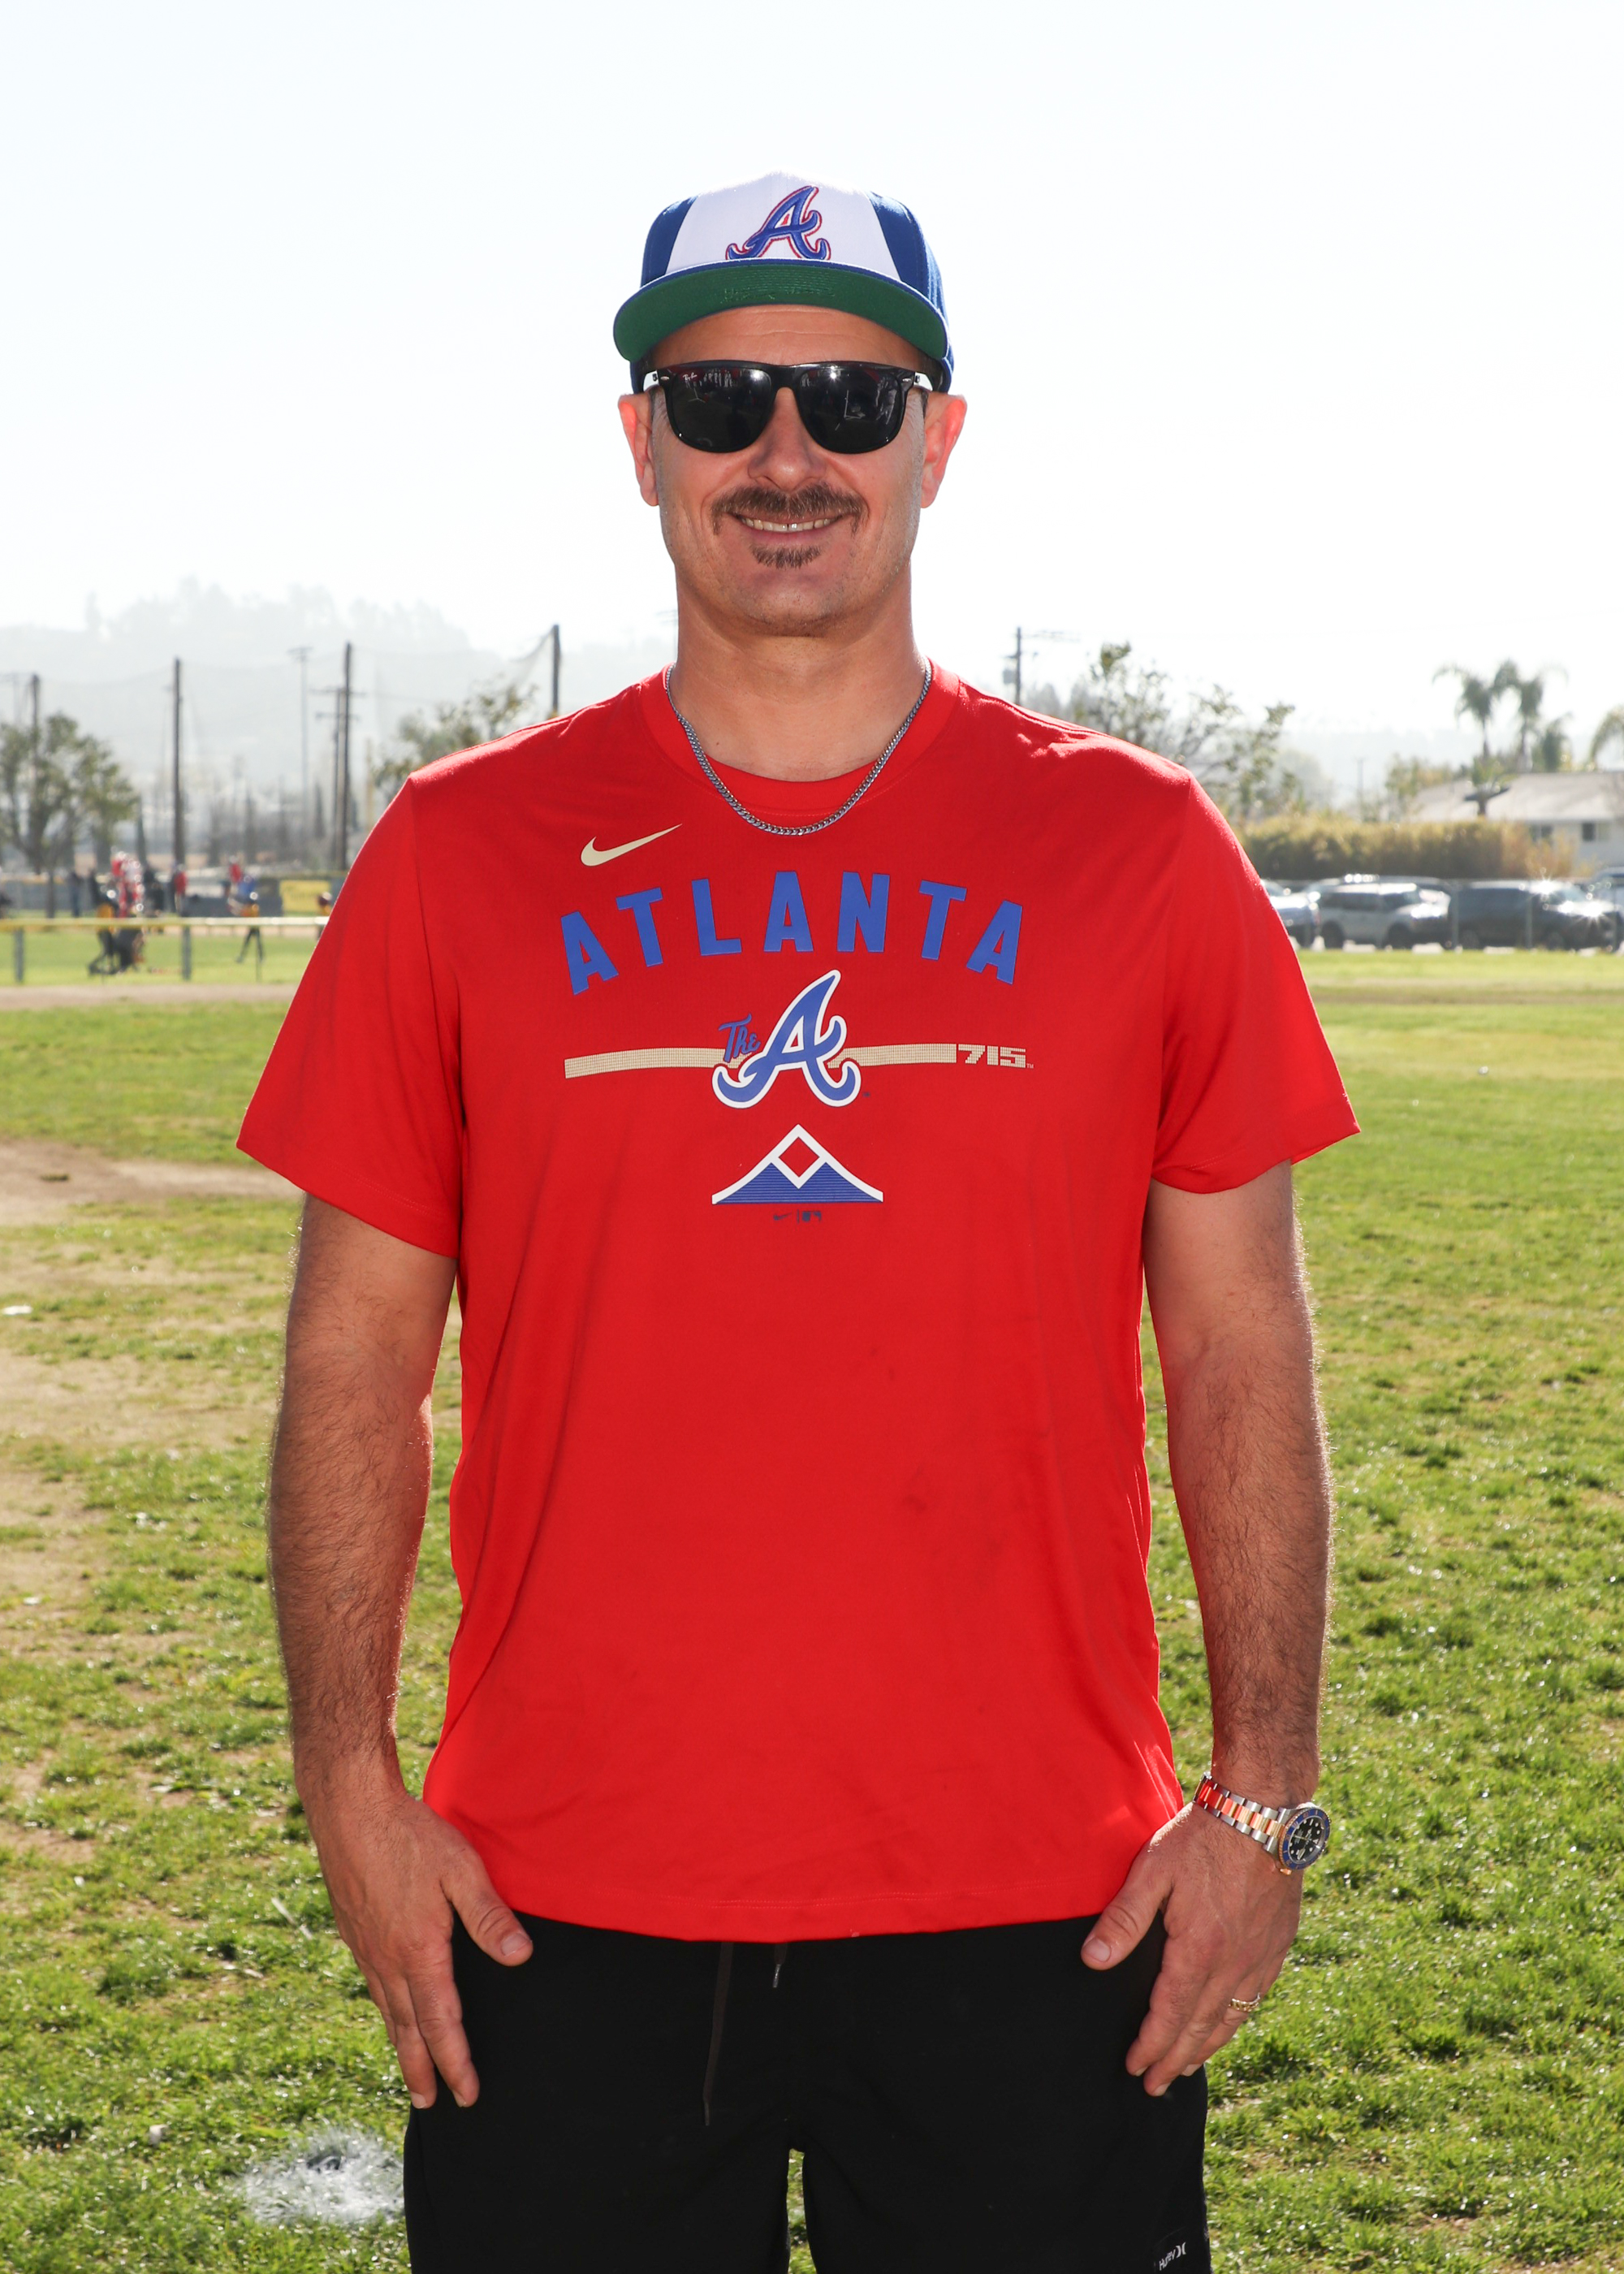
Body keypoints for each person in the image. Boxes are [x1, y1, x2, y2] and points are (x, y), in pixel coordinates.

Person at [240, 172, 1358, 2274]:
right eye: (723, 396)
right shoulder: (459, 855)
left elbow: (1240, 1350)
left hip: (1045, 1900)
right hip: (554, 1897)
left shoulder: (1138, 850)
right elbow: (354, 1362)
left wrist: (1266, 1795)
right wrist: (348, 1792)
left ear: (940, 441)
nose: (786, 452)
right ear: (641, 441)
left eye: (850, 402)